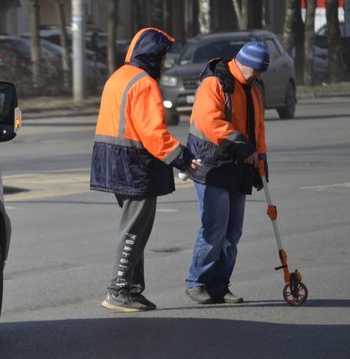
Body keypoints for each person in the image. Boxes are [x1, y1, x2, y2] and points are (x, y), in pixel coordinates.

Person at [90, 27, 201, 313]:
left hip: (111, 161)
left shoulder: (119, 76)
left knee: (134, 229)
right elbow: (153, 134)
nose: (164, 62)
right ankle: (118, 290)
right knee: (133, 231)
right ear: (151, 54)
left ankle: (131, 289)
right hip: (134, 165)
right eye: (162, 56)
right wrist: (182, 158)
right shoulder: (145, 83)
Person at [183, 41, 270, 304]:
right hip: (212, 165)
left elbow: (258, 131)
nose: (259, 76)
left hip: (239, 167)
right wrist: (245, 148)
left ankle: (220, 284)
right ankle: (197, 282)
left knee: (233, 232)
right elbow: (211, 123)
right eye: (256, 70)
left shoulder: (252, 89)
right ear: (242, 63)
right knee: (215, 228)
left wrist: (261, 168)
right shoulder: (214, 83)